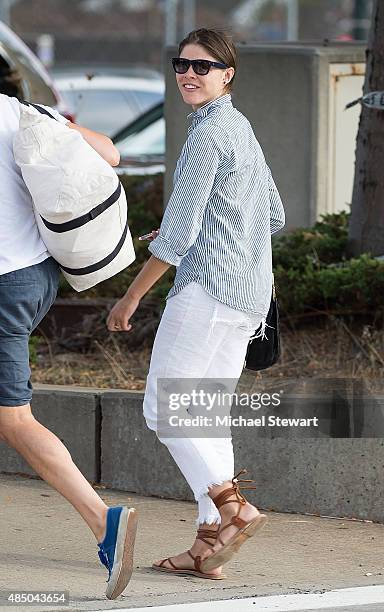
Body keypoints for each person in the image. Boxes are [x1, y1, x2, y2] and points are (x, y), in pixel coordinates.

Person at [107, 28, 285, 579]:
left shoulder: (208, 136)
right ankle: (209, 543)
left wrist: (130, 298)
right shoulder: (239, 127)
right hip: (249, 297)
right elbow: (272, 213)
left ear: (227, 74)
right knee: (204, 416)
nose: (188, 74)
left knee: (164, 409)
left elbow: (181, 233)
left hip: (208, 291)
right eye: (181, 64)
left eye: (202, 67)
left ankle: (233, 507)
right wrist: (211, 228)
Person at [0, 93, 137, 600]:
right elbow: (110, 152)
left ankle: (105, 521)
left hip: (3, 285)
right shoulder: (17, 109)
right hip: (39, 274)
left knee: (14, 419)